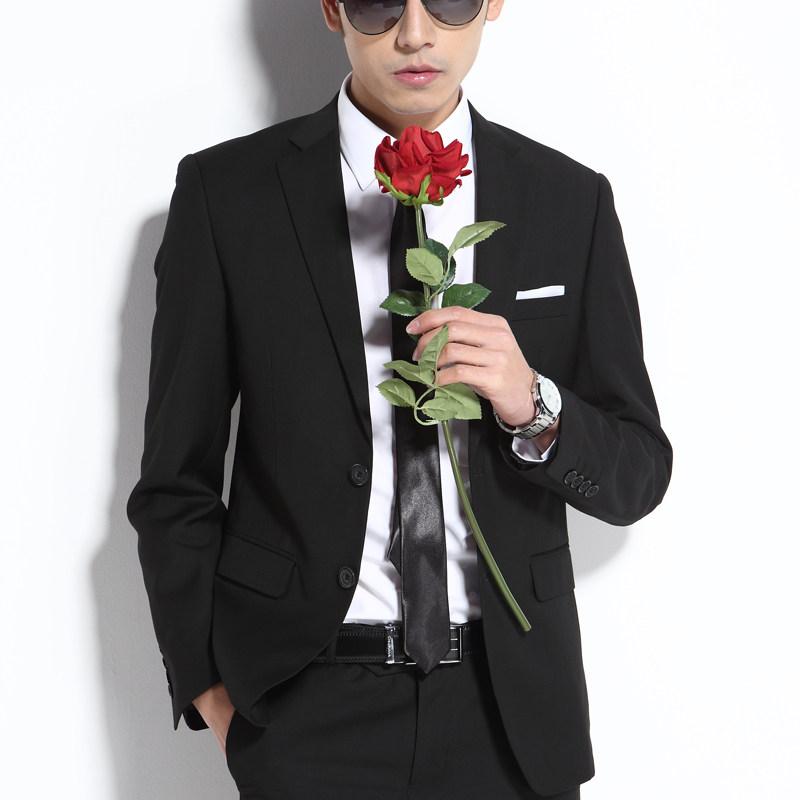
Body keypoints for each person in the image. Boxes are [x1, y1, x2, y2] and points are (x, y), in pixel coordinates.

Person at [127, 1, 672, 797]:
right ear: (332, 9)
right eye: (381, 2)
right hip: (305, 712)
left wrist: (531, 401)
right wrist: (213, 694)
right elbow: (175, 482)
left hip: (512, 714)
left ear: (492, 4)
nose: (415, 34)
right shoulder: (227, 194)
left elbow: (638, 475)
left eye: (447, 1)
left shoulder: (567, 199)